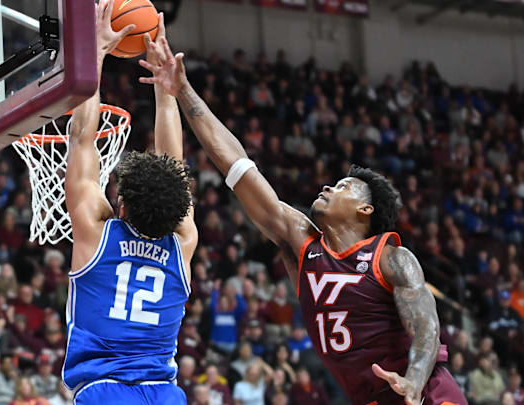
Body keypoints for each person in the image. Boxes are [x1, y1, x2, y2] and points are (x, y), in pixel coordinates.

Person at [140, 38, 468, 405]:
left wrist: (414, 380)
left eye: (344, 187)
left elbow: (426, 326)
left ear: (366, 211)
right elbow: (237, 166)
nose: (329, 185)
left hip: (426, 392)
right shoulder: (301, 243)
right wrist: (182, 90)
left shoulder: (390, 258)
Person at [61, 5, 196, 405]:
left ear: (120, 206)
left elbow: (83, 137)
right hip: (164, 393)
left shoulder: (97, 233)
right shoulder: (181, 244)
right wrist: (166, 90)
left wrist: (95, 53)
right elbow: (175, 168)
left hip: (105, 391)